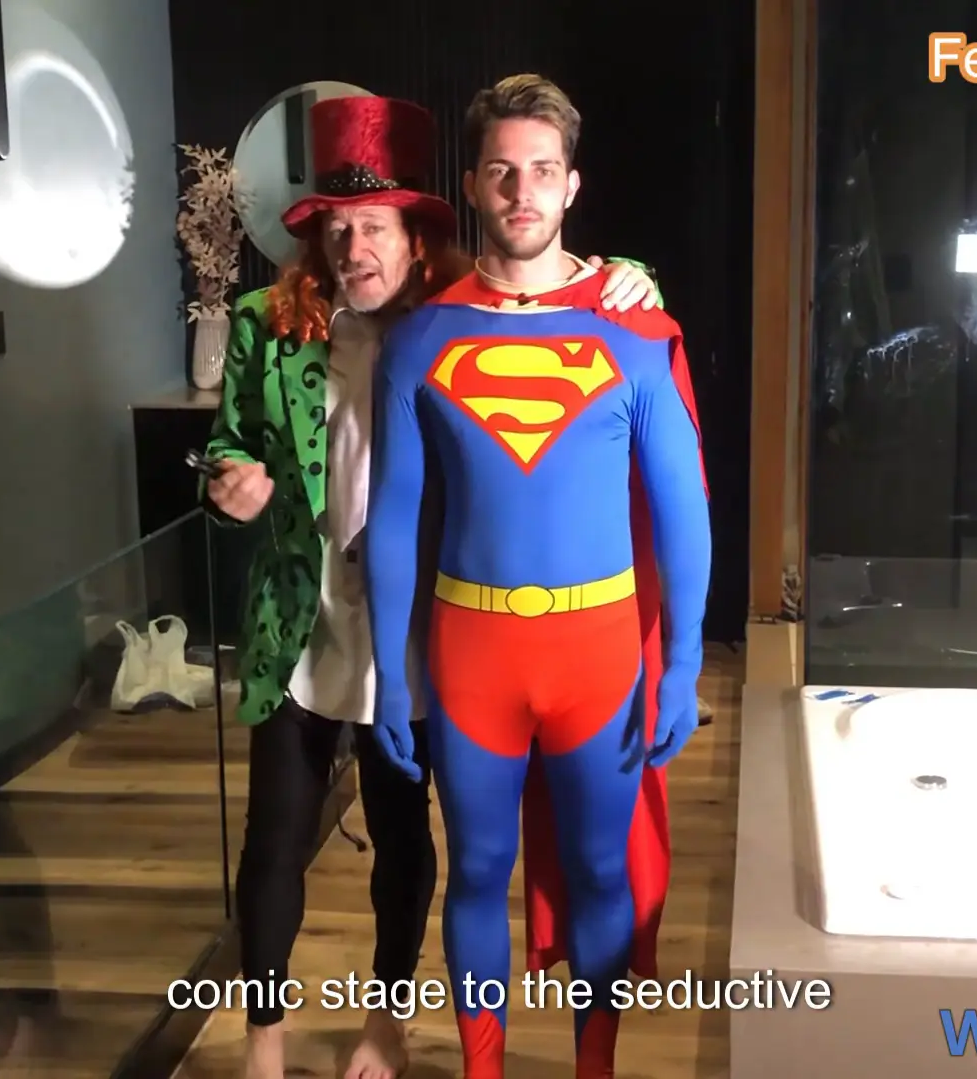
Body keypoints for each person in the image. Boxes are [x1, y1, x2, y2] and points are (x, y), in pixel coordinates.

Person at [199, 93, 661, 1079]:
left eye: (372, 227)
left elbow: (574, 291)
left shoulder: (457, 328)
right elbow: (228, 445)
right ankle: (263, 1041)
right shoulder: (266, 327)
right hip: (300, 620)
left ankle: (387, 1020)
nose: (352, 249)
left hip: (418, 630)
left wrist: (634, 273)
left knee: (405, 837)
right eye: (335, 229)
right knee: (273, 840)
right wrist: (227, 485)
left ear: (416, 237)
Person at [362, 74, 712, 1079]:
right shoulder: (420, 341)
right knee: (476, 869)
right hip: (471, 652)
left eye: (543, 170)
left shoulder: (635, 334)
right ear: (473, 183)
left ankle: (594, 1069)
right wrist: (388, 667)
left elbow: (683, 512)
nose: (523, 190)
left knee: (601, 870)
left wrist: (683, 664)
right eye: (503, 171)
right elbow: (395, 515)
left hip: (596, 654)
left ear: (571, 185)